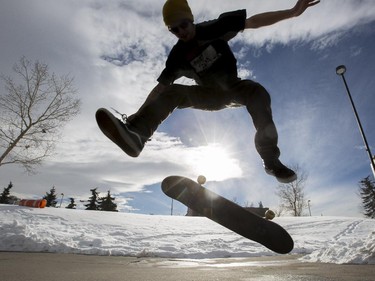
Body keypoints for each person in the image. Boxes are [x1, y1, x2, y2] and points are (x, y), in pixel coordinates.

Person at [96, 0, 320, 183]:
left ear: (191, 19)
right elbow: (160, 89)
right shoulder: (177, 56)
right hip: (208, 95)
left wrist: (292, 12)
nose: (181, 32)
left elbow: (254, 21)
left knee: (258, 92)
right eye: (174, 29)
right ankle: (138, 135)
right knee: (173, 91)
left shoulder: (215, 27)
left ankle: (271, 160)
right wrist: (137, 116)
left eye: (183, 25)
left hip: (234, 88)